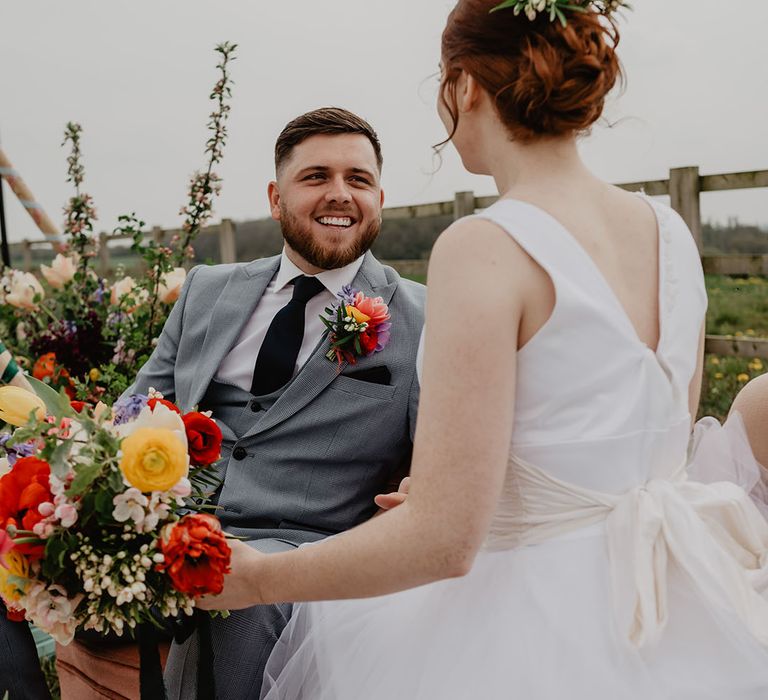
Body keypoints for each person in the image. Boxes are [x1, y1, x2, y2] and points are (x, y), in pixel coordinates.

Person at [199, 2, 768, 698]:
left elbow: (443, 541)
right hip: (674, 609)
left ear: (465, 85)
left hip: (533, 620)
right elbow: (643, 454)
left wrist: (258, 577)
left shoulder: (484, 246)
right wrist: (477, 489)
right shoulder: (668, 231)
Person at [128, 107, 425, 698]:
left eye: (358, 180)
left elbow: (448, 458)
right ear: (275, 196)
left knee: (234, 604)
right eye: (316, 176)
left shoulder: (424, 316)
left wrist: (425, 482)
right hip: (166, 524)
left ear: (380, 198)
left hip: (303, 552)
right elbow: (137, 411)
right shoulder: (207, 290)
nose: (339, 194)